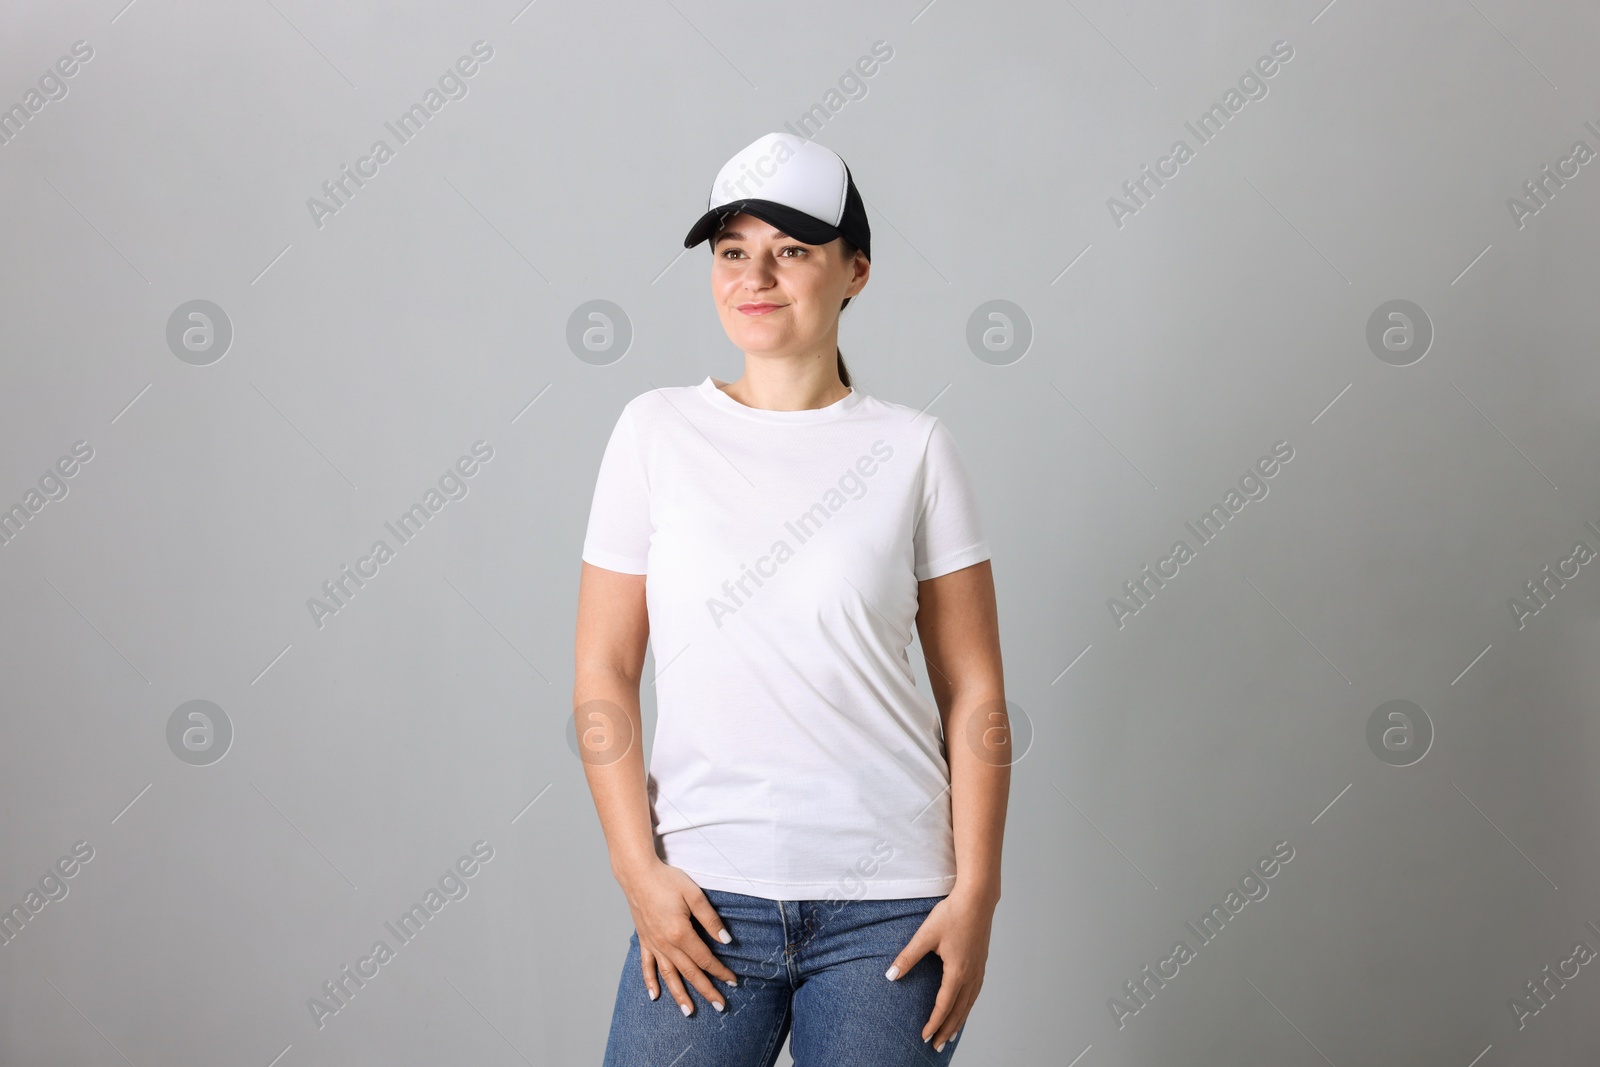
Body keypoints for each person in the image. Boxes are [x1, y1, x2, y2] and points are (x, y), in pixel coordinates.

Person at [574, 131, 1009, 1066]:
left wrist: (976, 895)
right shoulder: (655, 432)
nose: (755, 277)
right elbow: (604, 672)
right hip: (704, 899)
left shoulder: (914, 450)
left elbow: (974, 691)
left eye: (792, 251)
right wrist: (635, 868)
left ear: (855, 271)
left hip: (888, 912)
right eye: (733, 251)